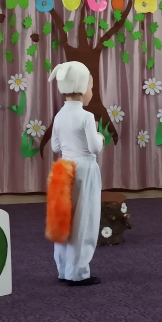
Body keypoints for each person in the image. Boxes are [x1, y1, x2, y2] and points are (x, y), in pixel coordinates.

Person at [46, 61, 105, 287]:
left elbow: (55, 146)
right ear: (82, 87)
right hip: (85, 169)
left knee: (65, 217)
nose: (92, 91)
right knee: (84, 220)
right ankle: (78, 272)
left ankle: (63, 268)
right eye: (91, 86)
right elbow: (94, 148)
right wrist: (100, 136)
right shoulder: (86, 117)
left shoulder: (59, 115)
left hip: (65, 167)